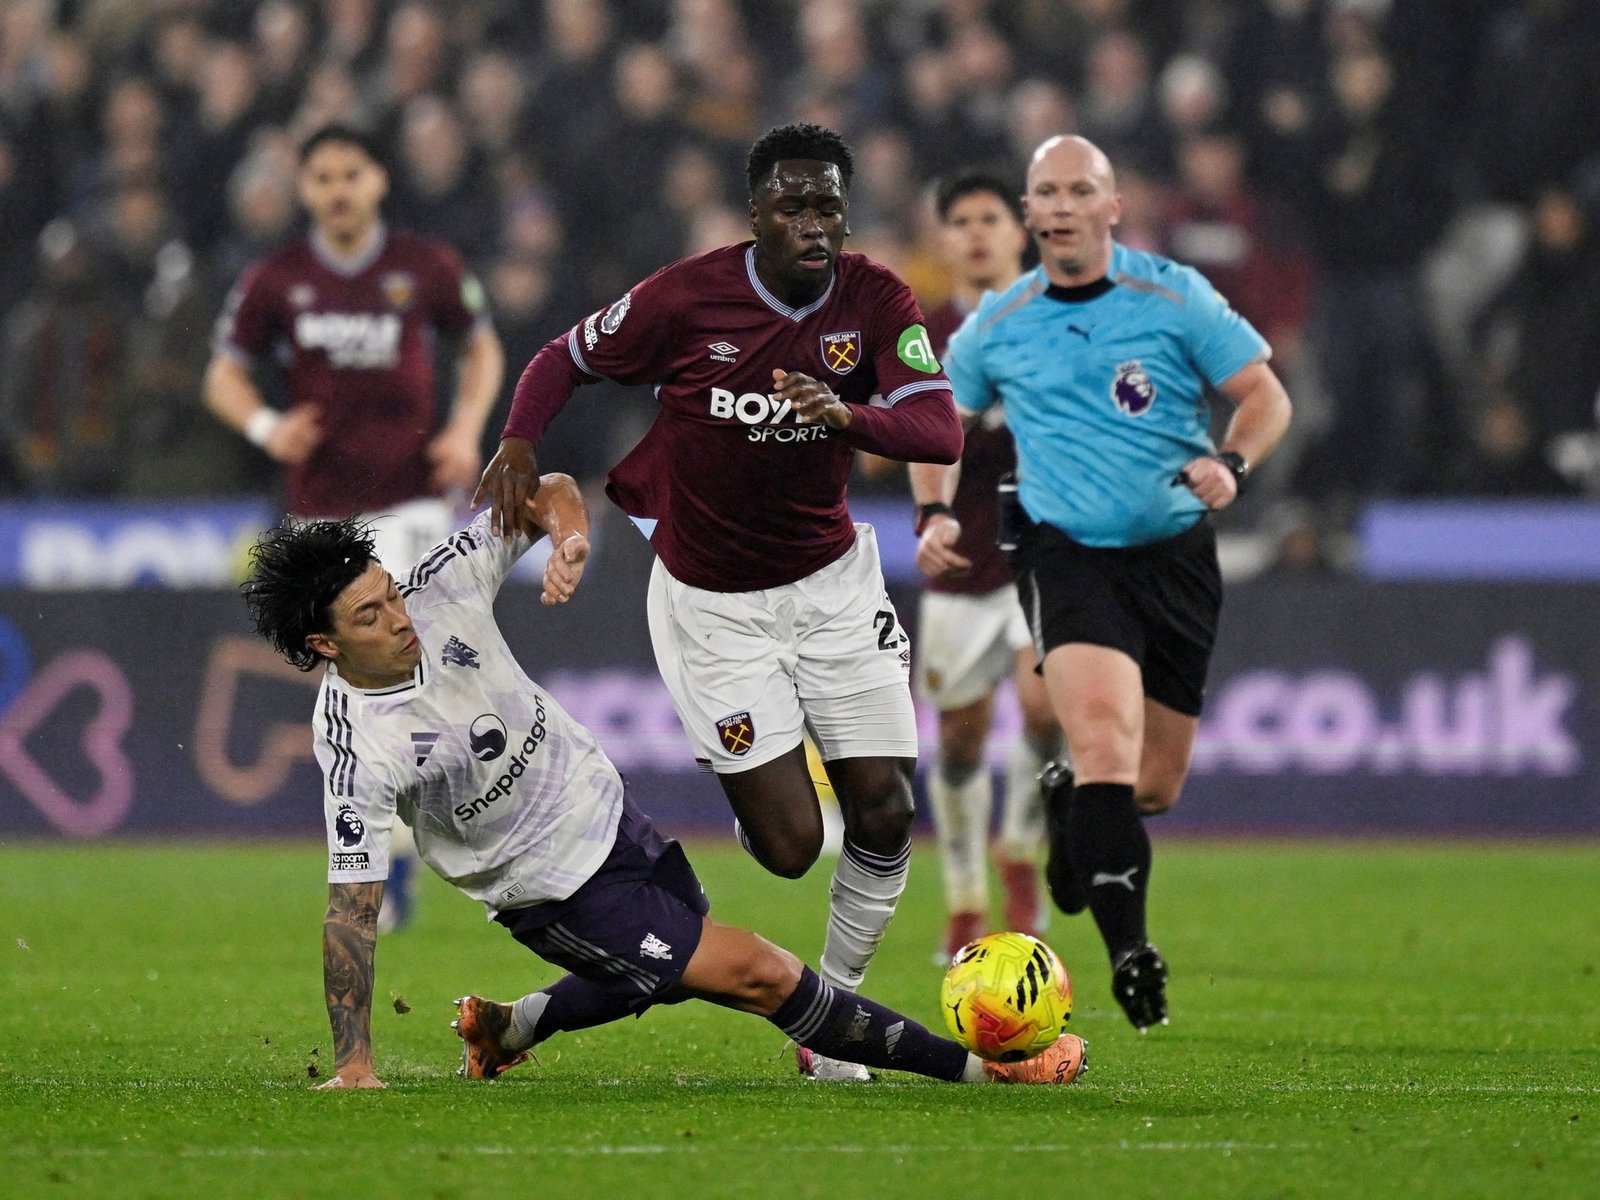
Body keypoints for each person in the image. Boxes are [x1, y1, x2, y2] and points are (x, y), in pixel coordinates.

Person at [238, 478, 1087, 1091]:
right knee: (756, 971)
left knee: (681, 958)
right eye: (370, 617)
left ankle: (510, 1027)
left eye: (389, 596)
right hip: (552, 890)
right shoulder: (357, 747)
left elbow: (548, 490)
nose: (399, 618)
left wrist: (565, 537)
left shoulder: (442, 587)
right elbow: (349, 908)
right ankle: (987, 1071)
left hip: (611, 815)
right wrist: (353, 1062)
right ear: (323, 645)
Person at [472, 123, 964, 1082]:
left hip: (832, 583)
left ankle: (831, 1030)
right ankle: (766, 791)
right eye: (793, 206)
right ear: (756, 214)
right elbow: (560, 357)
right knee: (790, 848)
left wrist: (846, 413)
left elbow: (939, 428)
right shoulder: (688, 295)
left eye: (828, 206)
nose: (813, 224)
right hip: (712, 600)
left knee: (888, 807)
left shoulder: (875, 298)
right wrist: (520, 444)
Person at [919, 135, 1293, 1031]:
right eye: (1044, 191)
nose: (1059, 206)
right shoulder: (998, 324)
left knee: (1153, 787)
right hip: (1064, 553)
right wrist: (933, 512)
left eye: (1078, 190)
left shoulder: (1175, 296)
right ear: (1031, 212)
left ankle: (1061, 809)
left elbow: (1265, 395)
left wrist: (1233, 465)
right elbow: (933, 423)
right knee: (1104, 747)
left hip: (1174, 557)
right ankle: (1131, 952)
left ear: (1112, 207)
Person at [205, 122, 506, 931]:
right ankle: (383, 853)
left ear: (377, 180)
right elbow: (223, 374)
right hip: (321, 519)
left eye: (351, 173)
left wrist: (465, 428)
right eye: (323, 177)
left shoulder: (425, 266)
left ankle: (416, 853)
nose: (338, 189)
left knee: (416, 674)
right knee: (354, 699)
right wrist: (268, 429)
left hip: (410, 501)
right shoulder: (279, 278)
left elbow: (481, 347)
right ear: (304, 190)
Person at [908, 171, 1062, 963]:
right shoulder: (924, 335)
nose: (975, 232)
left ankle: (1020, 862)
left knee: (1045, 716)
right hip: (962, 562)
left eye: (989, 218)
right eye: (960, 220)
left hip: (1046, 557)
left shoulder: (1058, 321)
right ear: (945, 239)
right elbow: (903, 440)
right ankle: (966, 902)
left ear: (1020, 231)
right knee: (962, 745)